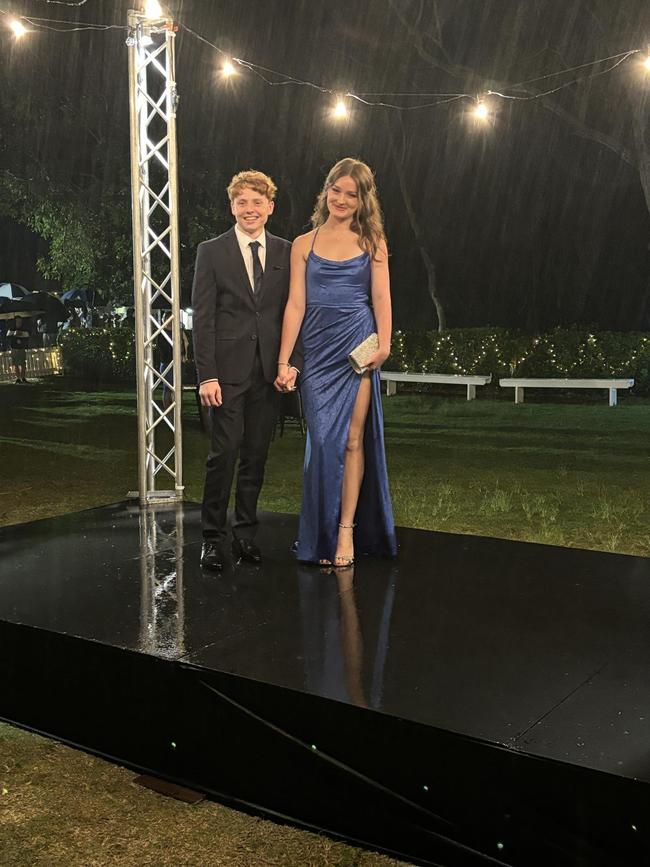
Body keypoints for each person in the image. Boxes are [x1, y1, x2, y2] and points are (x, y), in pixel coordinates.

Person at [276, 158, 397, 567]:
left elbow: (381, 297)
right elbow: (295, 305)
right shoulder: (303, 244)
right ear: (325, 191)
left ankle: (344, 530)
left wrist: (383, 344)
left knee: (351, 440)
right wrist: (284, 360)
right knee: (321, 443)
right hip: (316, 351)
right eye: (337, 190)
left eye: (352, 193)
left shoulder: (373, 242)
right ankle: (318, 534)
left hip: (356, 347)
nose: (342, 199)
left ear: (363, 200)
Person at [192, 170, 301, 571]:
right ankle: (212, 538)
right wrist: (206, 374)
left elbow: (296, 313)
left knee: (256, 456)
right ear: (232, 207)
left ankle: (245, 535)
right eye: (242, 202)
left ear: (270, 207)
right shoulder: (212, 251)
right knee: (223, 455)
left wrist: (292, 364)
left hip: (269, 375)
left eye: (257, 201)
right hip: (225, 374)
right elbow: (202, 318)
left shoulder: (288, 252)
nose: (249, 209)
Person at [7, 316, 30, 383]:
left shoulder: (24, 329)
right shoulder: (11, 329)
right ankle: (18, 378)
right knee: (16, 364)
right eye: (17, 321)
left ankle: (23, 377)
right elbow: (8, 337)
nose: (19, 323)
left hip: (21, 348)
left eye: (20, 321)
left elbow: (27, 336)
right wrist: (14, 334)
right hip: (14, 348)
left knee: (23, 364)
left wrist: (21, 334)